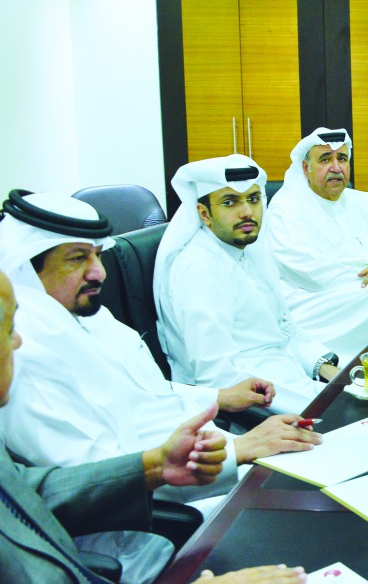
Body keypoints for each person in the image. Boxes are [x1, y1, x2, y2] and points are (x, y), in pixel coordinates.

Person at [0, 190, 321, 511]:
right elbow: (90, 481)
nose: (99, 272)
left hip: (215, 460)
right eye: (77, 258)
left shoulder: (85, 314)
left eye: (97, 255)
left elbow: (144, 391)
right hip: (169, 512)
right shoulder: (21, 355)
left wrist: (219, 397)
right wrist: (240, 448)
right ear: (27, 267)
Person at [0, 270, 306, 584]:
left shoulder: (95, 321)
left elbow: (31, 492)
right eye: (8, 329)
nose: (19, 341)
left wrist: (153, 467)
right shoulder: (35, 366)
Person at [156, 155, 338, 416]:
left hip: (290, 377)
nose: (247, 212)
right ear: (204, 214)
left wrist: (325, 368)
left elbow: (282, 328)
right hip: (257, 400)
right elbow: (216, 376)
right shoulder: (198, 268)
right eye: (230, 202)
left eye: (253, 199)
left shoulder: (247, 250)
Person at [263, 127, 368, 360]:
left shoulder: (365, 202)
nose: (336, 168)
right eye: (325, 159)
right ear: (306, 168)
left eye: (342, 159)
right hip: (314, 304)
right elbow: (312, 275)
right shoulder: (285, 209)